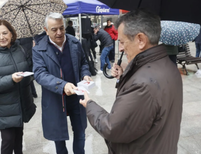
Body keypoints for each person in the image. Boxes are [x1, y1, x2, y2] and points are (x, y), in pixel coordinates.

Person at [79, 9, 183, 154]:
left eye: (122, 42)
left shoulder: (143, 84)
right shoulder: (169, 67)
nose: (120, 48)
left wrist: (89, 105)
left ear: (140, 40)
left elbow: (113, 128)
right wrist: (125, 75)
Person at [32, 12, 92, 154]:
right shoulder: (38, 49)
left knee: (80, 132)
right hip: (55, 98)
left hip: (76, 96)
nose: (59, 33)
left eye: (61, 28)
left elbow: (84, 62)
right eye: (54, 29)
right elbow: (40, 74)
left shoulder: (74, 42)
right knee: (59, 138)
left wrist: (85, 74)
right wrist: (62, 85)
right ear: (46, 30)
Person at [0, 20, 36, 154]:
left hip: (21, 104)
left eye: (4, 33)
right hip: (4, 108)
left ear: (11, 34)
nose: (1, 37)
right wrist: (10, 79)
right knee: (8, 140)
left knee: (19, 138)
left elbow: (30, 70)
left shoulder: (20, 49)